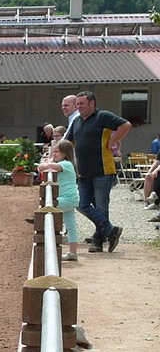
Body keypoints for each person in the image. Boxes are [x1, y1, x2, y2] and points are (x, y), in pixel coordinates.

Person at [66, 91, 131, 253]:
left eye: (81, 104)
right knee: (81, 204)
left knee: (101, 207)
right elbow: (67, 142)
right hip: (83, 172)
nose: (78, 107)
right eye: (77, 104)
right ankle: (111, 230)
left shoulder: (103, 116)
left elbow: (126, 125)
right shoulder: (77, 121)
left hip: (103, 170)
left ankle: (98, 241)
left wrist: (113, 141)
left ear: (92, 103)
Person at [38, 139, 80, 261]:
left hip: (66, 199)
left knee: (46, 211)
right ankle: (73, 252)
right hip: (69, 198)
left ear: (65, 154)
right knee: (71, 226)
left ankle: (39, 216)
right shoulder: (67, 164)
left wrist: (48, 160)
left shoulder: (65, 164)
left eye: (56, 152)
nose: (54, 154)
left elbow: (42, 167)